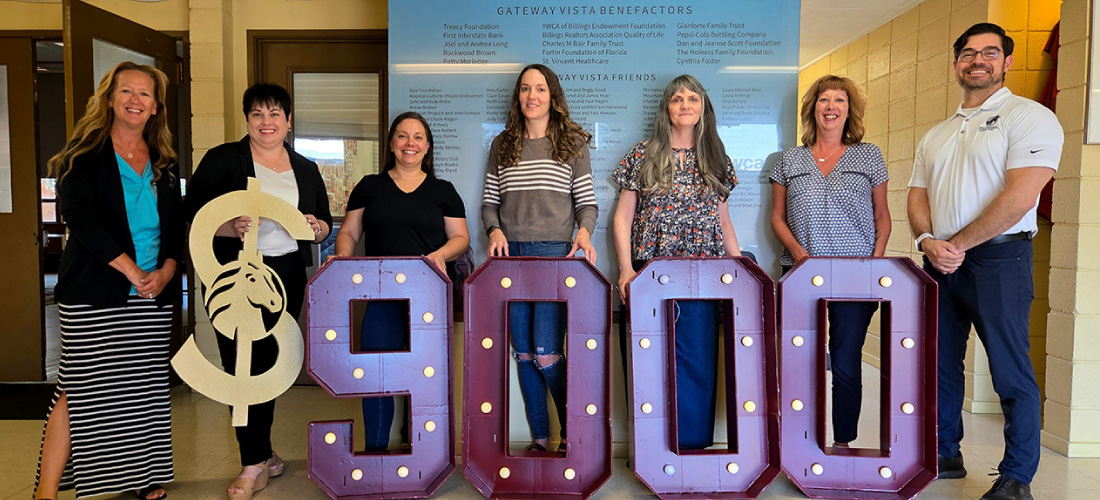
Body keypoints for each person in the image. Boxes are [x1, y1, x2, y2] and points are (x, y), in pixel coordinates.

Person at [906, 23, 1062, 500]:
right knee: (938, 363)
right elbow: (917, 198)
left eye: (990, 53)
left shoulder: (1029, 117)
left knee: (1010, 369)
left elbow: (1019, 198)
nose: (978, 60)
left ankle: (1016, 477)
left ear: (1006, 62)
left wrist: (957, 245)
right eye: (969, 53)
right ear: (956, 63)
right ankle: (944, 452)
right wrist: (931, 241)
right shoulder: (937, 133)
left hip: (999, 260)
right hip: (941, 262)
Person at [34, 62, 182, 500]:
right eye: (127, 91)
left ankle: (139, 478)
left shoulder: (165, 164)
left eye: (145, 94)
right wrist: (133, 272)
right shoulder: (83, 157)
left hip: (153, 292)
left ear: (156, 107)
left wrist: (168, 269)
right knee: (78, 389)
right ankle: (45, 491)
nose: (135, 100)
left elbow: (175, 228)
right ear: (110, 98)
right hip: (95, 290)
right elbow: (81, 221)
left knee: (140, 389)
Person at [185, 83, 331, 500]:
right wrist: (228, 227)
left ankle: (263, 452)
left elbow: (319, 221)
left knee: (270, 366)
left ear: (288, 120)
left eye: (275, 114)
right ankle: (251, 463)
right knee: (240, 367)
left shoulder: (305, 167)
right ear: (247, 119)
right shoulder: (222, 160)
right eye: (257, 115)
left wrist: (317, 228)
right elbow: (192, 215)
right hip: (232, 273)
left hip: (285, 275)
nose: (266, 123)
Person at [612, 74, 741, 450]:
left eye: (693, 98)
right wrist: (625, 269)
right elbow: (622, 218)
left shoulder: (716, 157)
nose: (685, 104)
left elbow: (724, 220)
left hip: (703, 275)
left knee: (698, 361)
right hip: (649, 272)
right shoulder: (642, 154)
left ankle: (694, 446)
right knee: (649, 361)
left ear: (703, 108)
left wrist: (739, 269)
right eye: (677, 98)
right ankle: (651, 449)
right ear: (666, 107)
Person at [332, 111, 470, 450]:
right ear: (392, 144)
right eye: (403, 136)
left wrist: (440, 254)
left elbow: (461, 238)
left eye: (418, 137)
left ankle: (426, 453)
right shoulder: (369, 186)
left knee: (425, 377)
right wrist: (343, 261)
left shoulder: (443, 190)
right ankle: (377, 451)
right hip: (380, 298)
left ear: (427, 147)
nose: (411, 143)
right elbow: (349, 232)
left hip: (428, 298)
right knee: (376, 374)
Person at [481, 63, 597, 452]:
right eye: (526, 89)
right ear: (518, 96)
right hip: (510, 257)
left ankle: (572, 436)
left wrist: (584, 232)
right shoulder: (502, 144)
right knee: (525, 354)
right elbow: (489, 204)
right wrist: (494, 230)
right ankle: (541, 441)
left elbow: (587, 205)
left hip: (555, 257)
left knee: (547, 353)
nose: (533, 96)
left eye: (541, 89)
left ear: (553, 96)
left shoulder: (572, 144)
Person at [770, 74, 890, 448]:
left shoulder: (868, 155)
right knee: (798, 358)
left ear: (849, 110)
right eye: (824, 100)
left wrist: (875, 260)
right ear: (813, 109)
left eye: (840, 100)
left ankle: (843, 442)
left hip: (855, 273)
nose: (832, 107)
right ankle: (795, 439)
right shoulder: (789, 160)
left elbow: (882, 215)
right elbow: (777, 216)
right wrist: (801, 254)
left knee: (845, 363)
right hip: (801, 272)